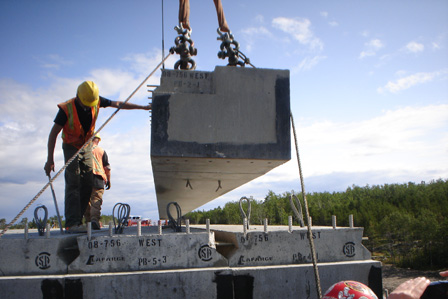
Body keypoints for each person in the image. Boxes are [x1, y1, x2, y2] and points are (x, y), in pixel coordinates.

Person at [44, 81, 150, 233]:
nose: (87, 107)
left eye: (90, 104)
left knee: (87, 181)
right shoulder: (66, 109)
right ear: (78, 97)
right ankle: (72, 223)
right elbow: (53, 134)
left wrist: (142, 107)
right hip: (71, 146)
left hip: (86, 145)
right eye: (84, 104)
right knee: (73, 181)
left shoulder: (97, 101)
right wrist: (50, 159)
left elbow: (118, 103)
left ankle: (79, 220)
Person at [84, 133, 110, 230]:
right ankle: (94, 220)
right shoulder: (101, 151)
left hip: (86, 177)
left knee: (86, 201)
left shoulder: (84, 150)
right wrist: (108, 180)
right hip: (98, 178)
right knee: (96, 201)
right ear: (98, 140)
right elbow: (107, 167)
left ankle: (88, 222)